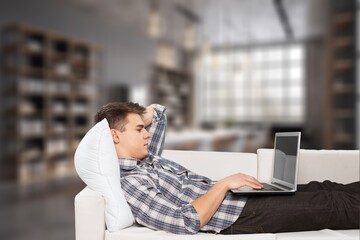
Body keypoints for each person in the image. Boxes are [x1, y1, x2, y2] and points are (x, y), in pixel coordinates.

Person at [94, 102, 360, 235]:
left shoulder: (146, 159)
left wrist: (139, 116)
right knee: (331, 204)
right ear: (115, 136)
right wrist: (223, 184)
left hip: (239, 200)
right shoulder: (131, 182)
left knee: (324, 187)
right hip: (238, 216)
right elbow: (184, 221)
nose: (147, 134)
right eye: (139, 129)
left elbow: (159, 115)